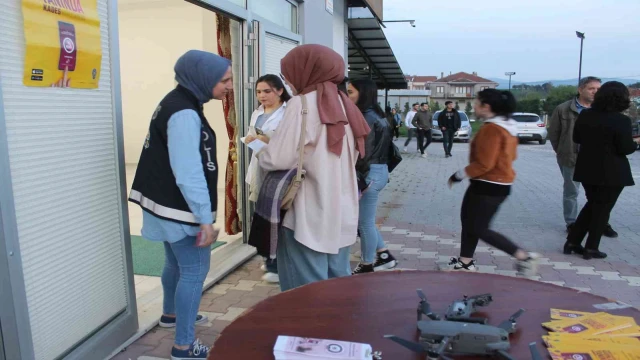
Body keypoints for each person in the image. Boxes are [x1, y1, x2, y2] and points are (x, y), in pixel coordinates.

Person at [128, 50, 233, 360]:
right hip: (179, 209)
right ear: (203, 79)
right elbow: (188, 173)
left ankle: (170, 314)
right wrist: (204, 220)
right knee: (193, 271)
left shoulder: (174, 100)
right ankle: (184, 347)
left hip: (162, 203)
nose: (229, 86)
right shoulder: (185, 112)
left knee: (174, 263)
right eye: (224, 80)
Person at [257, 44, 370, 291]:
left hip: (309, 211)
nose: (288, 81)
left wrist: (261, 153)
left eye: (288, 75)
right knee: (336, 285)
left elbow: (277, 158)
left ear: (306, 70)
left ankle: (309, 331)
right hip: (340, 209)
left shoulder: (302, 104)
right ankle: (336, 329)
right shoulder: (345, 103)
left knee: (304, 293)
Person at [447, 89, 539, 276]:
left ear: (486, 107)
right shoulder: (508, 127)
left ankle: (523, 257)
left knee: (478, 228)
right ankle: (465, 262)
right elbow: (512, 156)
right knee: (469, 222)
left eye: (476, 103)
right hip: (494, 184)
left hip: (488, 185)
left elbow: (484, 164)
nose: (474, 106)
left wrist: (458, 175)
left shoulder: (492, 129)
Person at [564, 82, 640, 260]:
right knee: (602, 210)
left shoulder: (586, 115)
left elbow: (577, 138)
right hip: (612, 172)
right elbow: (625, 148)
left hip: (587, 169)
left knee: (592, 206)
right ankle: (591, 247)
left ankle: (573, 242)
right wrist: (636, 141)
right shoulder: (621, 120)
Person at [548, 77, 619, 238]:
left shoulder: (604, 110)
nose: (595, 92)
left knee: (599, 194)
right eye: (591, 88)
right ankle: (572, 223)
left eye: (598, 89)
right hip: (571, 158)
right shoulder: (563, 109)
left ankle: (601, 223)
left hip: (596, 159)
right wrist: (562, 151)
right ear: (581, 90)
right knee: (571, 191)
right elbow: (554, 134)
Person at [347, 79, 398, 274]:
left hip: (369, 174)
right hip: (379, 171)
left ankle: (367, 264)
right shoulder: (379, 114)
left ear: (363, 93)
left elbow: (363, 153)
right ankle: (384, 255)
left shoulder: (365, 117)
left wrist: (359, 179)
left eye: (350, 92)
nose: (347, 96)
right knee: (365, 219)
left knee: (364, 222)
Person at [245, 74, 292, 283]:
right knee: (262, 214)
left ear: (280, 91)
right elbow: (251, 133)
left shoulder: (289, 112)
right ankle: (268, 256)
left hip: (278, 170)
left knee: (277, 215)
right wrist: (251, 139)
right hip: (259, 166)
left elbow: (288, 142)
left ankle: (276, 262)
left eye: (266, 91)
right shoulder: (258, 112)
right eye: (258, 92)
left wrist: (267, 139)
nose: (261, 96)